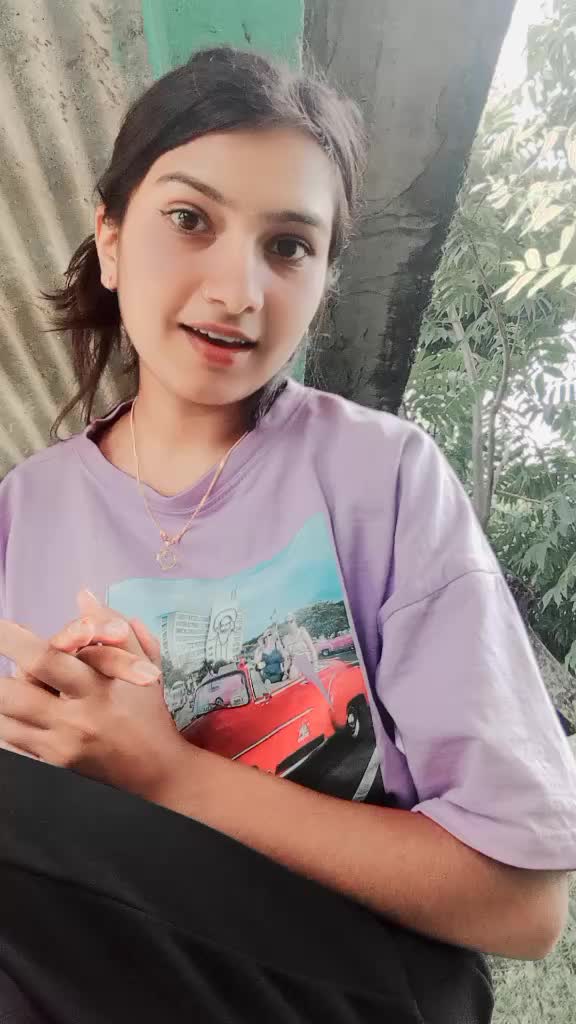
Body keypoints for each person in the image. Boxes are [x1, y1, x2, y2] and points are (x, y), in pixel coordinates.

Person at [0, 45, 574, 1024]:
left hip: (360, 983)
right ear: (110, 236)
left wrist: (168, 771)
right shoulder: (25, 511)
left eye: (288, 246)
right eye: (190, 219)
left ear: (323, 279)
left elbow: (522, 905)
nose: (238, 290)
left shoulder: (383, 478)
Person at [283, 612, 319, 678]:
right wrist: (285, 672)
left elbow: (313, 650)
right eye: (287, 623)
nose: (289, 624)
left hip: (307, 661)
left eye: (291, 621)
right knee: (293, 676)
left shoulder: (302, 633)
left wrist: (315, 667)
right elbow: (288, 659)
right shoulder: (286, 639)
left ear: (295, 621)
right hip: (295, 665)